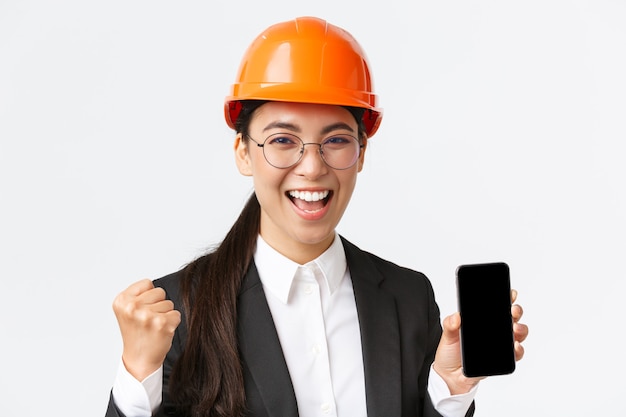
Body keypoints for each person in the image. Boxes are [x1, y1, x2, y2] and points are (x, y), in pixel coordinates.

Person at [105, 16, 528, 417]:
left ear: (361, 154)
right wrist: (137, 377)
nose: (312, 167)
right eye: (283, 140)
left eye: (336, 140)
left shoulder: (408, 299)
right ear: (243, 153)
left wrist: (451, 385)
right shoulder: (179, 311)